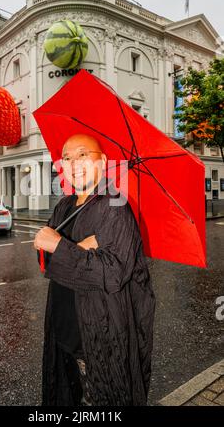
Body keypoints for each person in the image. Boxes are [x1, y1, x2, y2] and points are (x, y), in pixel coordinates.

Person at [34, 133, 156, 406]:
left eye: (82, 154)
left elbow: (113, 275)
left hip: (96, 339)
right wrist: (73, 249)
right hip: (62, 329)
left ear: (101, 162)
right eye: (67, 157)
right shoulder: (65, 205)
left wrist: (63, 247)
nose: (73, 162)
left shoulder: (115, 207)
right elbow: (45, 261)